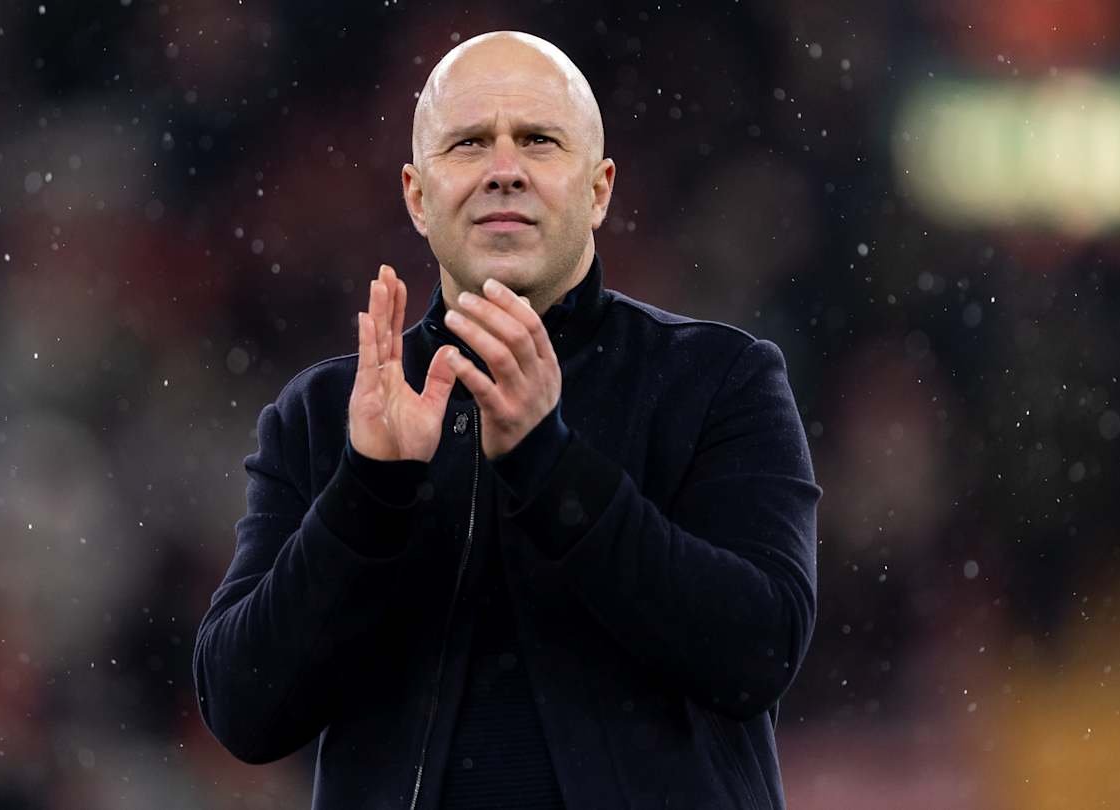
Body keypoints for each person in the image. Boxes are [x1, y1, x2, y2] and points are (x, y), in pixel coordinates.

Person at [193, 30, 822, 810]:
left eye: (537, 140)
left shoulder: (718, 380)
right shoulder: (328, 415)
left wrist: (550, 464)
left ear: (598, 189)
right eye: (467, 144)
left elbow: (758, 651)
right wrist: (369, 493)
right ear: (417, 197)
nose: (503, 171)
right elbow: (242, 710)